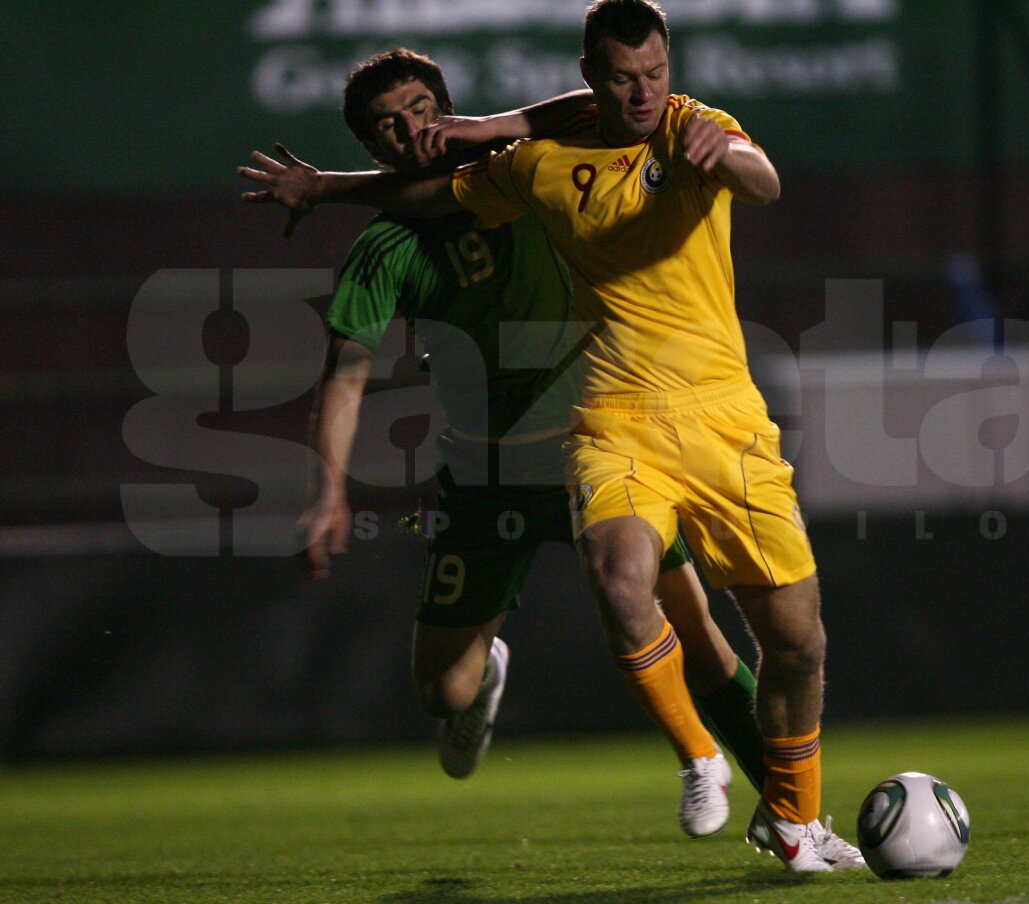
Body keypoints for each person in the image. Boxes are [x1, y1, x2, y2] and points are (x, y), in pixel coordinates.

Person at [239, 1, 864, 872]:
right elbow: (347, 369)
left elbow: (638, 125)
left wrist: (501, 126)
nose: (410, 129)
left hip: (619, 433)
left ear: (448, 110)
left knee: (710, 635)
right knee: (444, 690)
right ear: (371, 143)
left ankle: (776, 806)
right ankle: (523, 687)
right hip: (492, 471)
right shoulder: (424, 229)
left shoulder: (564, 155)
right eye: (388, 125)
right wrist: (330, 492)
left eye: (422, 109)